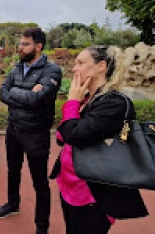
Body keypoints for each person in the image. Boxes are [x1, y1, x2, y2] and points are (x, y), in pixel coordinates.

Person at [49, 45, 148, 234]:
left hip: (92, 195)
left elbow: (73, 135)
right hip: (69, 186)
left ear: (101, 66)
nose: (74, 68)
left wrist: (71, 103)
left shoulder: (114, 103)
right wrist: (75, 104)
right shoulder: (87, 99)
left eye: (80, 63)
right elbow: (62, 137)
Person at [0, 27, 62, 234]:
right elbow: (2, 93)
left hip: (36, 135)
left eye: (25, 44)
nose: (20, 48)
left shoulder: (52, 71)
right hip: (13, 130)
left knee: (39, 182)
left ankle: (42, 226)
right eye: (20, 43)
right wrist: (22, 93)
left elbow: (39, 99)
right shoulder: (17, 68)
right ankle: (13, 205)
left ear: (38, 47)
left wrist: (17, 94)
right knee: (13, 171)